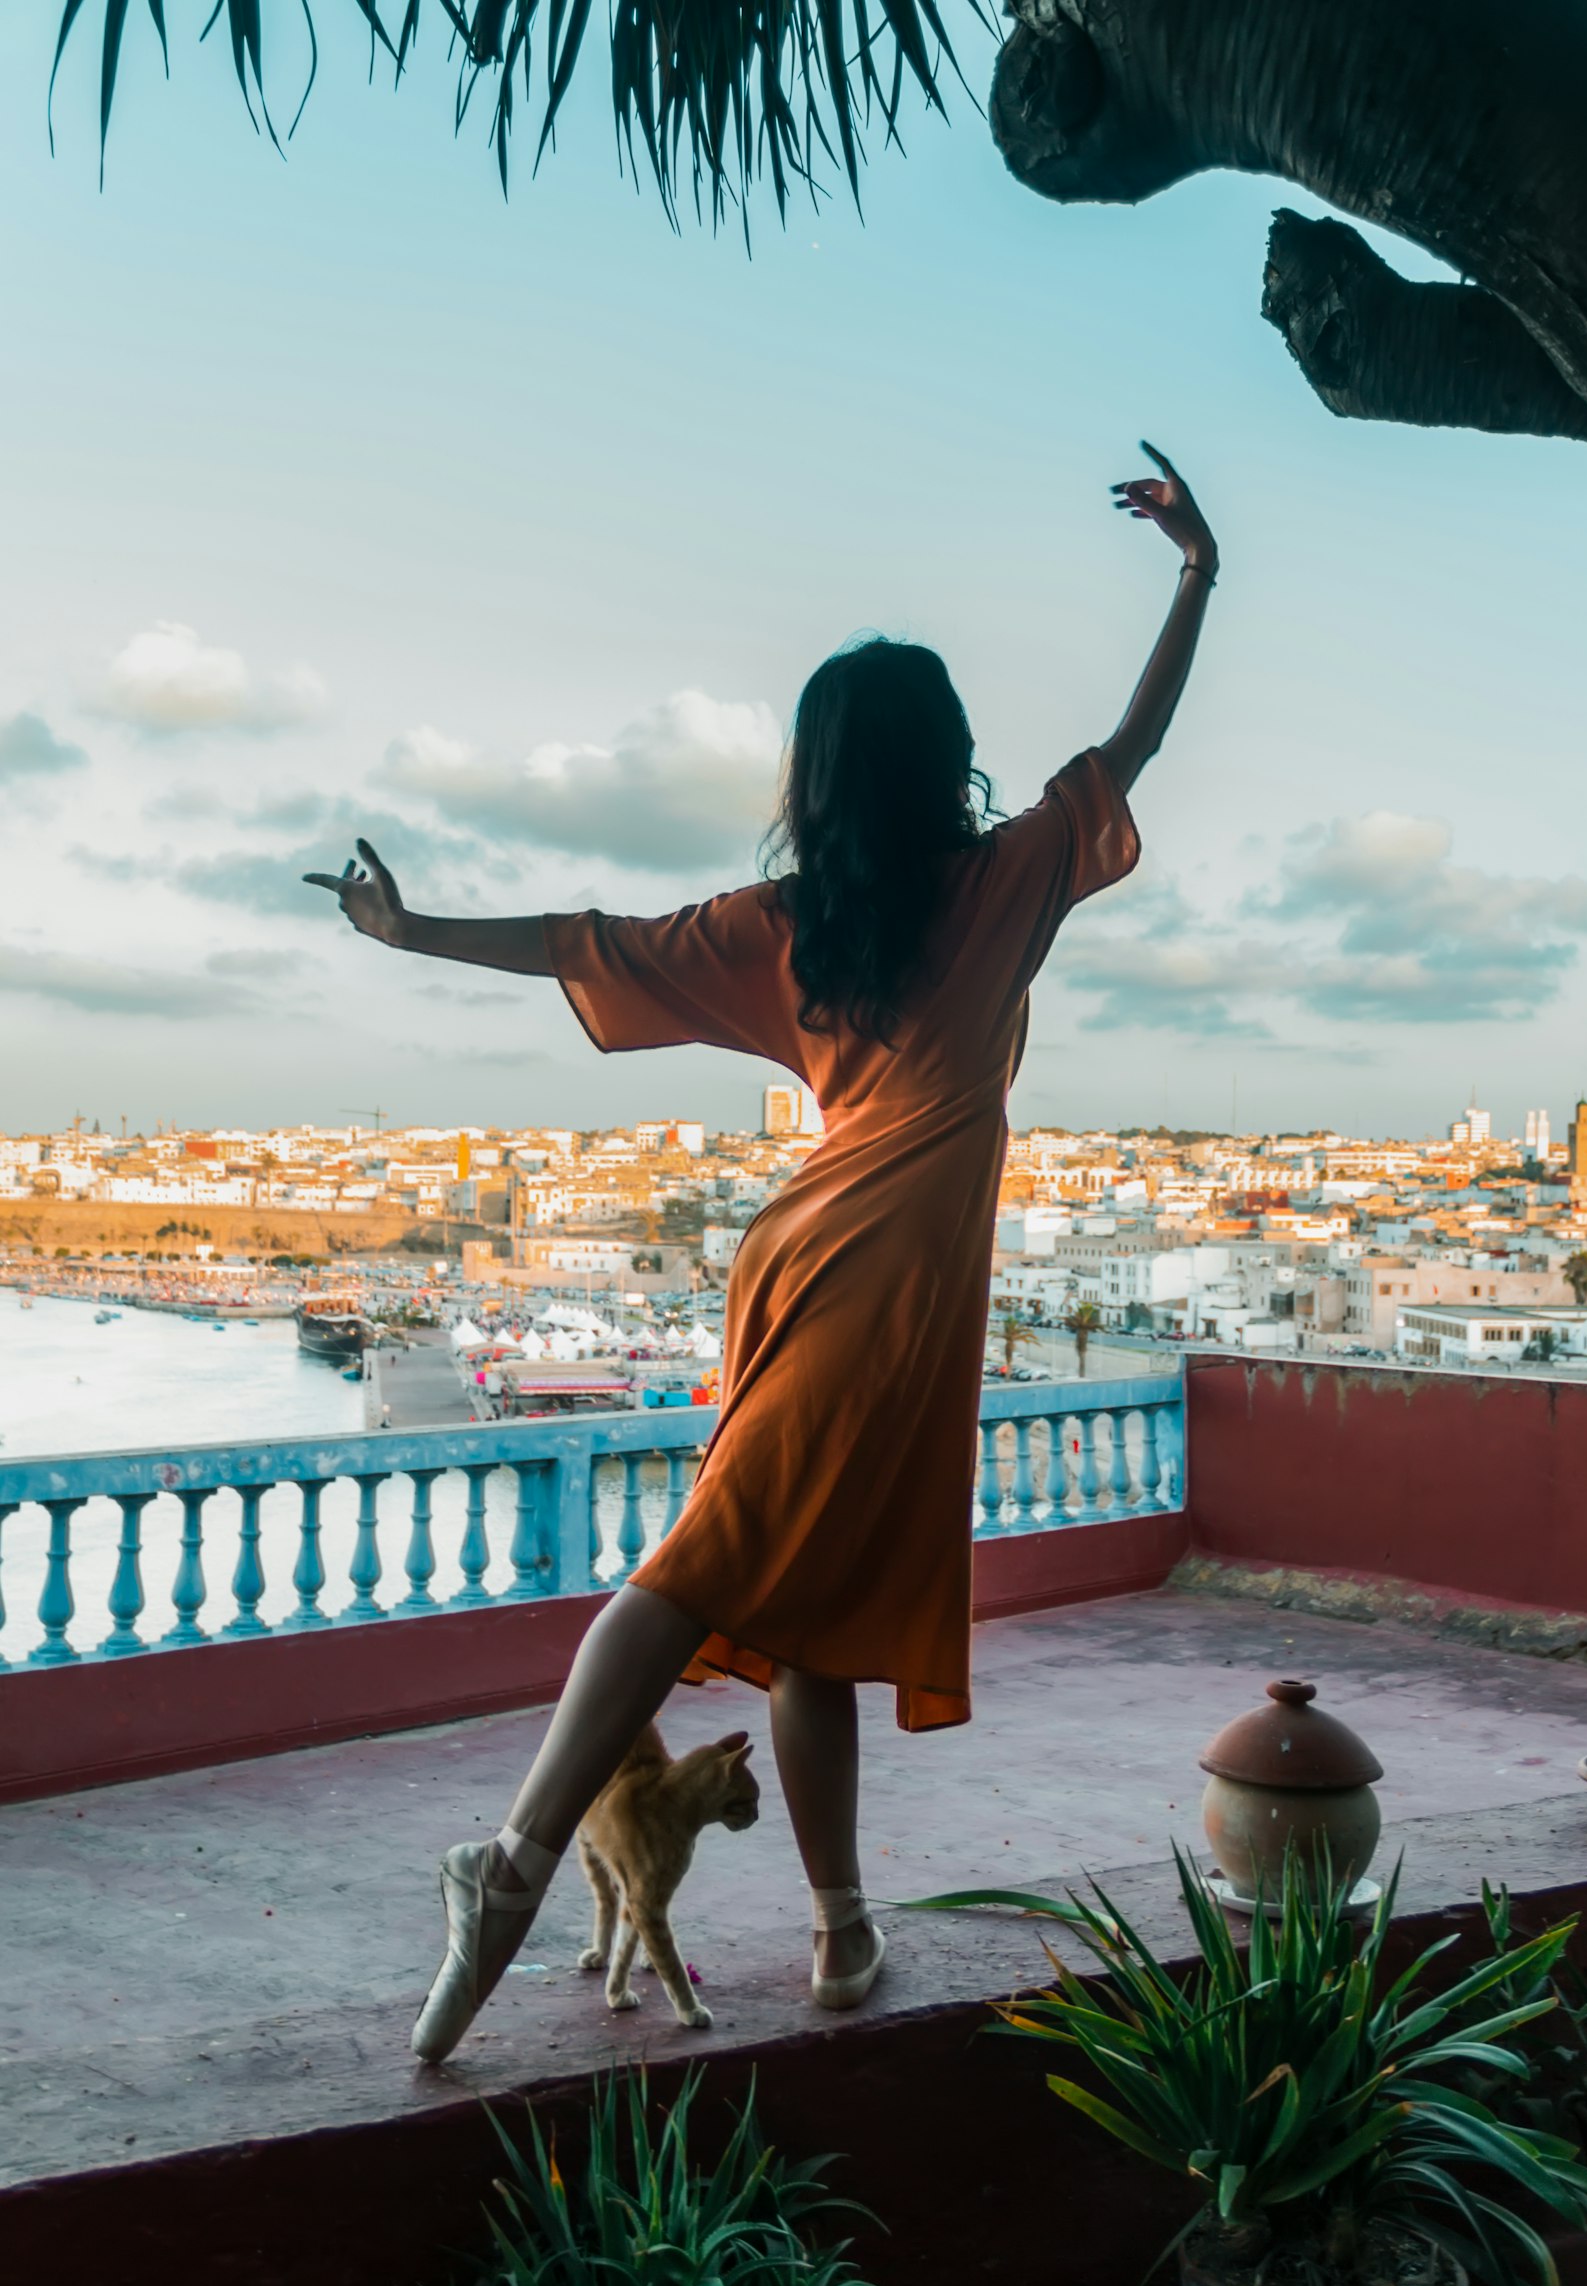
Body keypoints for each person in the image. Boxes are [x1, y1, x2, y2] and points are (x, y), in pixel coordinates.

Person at [306, 444, 1217, 2063]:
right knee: (708, 1564)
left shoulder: (783, 925)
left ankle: (842, 1935)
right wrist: (1196, 574)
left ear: (819, 774)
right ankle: (513, 1865)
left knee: (809, 1609)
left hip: (815, 1259)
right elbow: (1127, 745)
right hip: (896, 1286)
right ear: (944, 763)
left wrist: (411, 929)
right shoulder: (1005, 884)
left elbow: (584, 944)